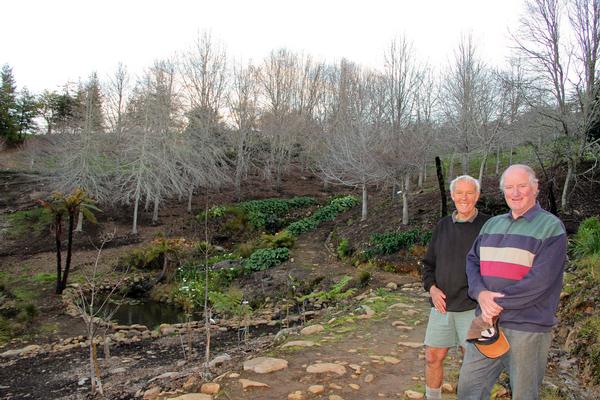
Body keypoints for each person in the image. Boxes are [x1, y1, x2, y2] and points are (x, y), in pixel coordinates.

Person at [457, 164, 567, 400]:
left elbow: (540, 282)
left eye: (522, 186)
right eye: (509, 187)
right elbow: (472, 261)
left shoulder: (551, 228)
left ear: (535, 188)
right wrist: (480, 294)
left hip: (527, 327)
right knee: (468, 390)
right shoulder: (492, 224)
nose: (515, 193)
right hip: (485, 322)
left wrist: (495, 302)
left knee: (524, 395)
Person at [421, 175, 490, 400]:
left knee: (473, 364)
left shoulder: (488, 226)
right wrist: (431, 288)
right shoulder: (443, 225)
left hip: (474, 309)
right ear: (452, 196)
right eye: (459, 193)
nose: (464, 197)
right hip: (442, 307)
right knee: (432, 357)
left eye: (469, 193)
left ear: (477, 196)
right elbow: (428, 265)